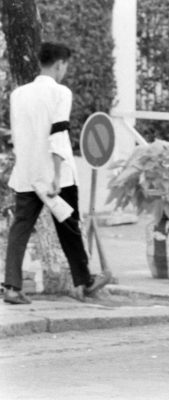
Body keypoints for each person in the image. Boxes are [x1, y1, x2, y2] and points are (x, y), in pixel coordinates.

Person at [2, 42, 110, 304]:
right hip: (55, 176)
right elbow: (58, 135)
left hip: (27, 173)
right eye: (65, 66)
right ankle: (83, 282)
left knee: (21, 228)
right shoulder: (61, 93)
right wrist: (54, 175)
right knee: (69, 226)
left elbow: (18, 136)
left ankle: (12, 287)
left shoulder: (19, 95)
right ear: (60, 64)